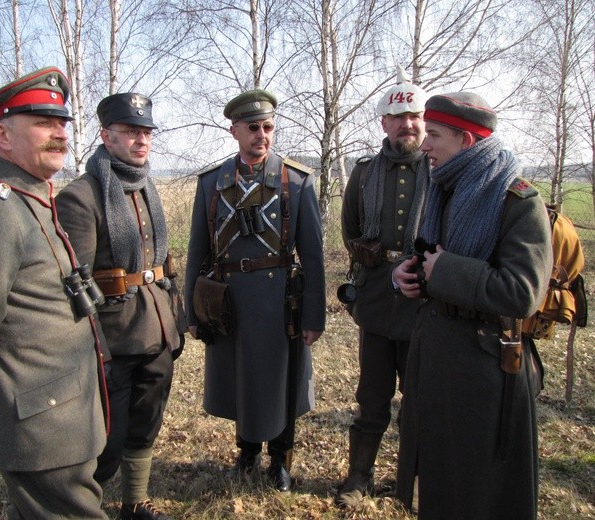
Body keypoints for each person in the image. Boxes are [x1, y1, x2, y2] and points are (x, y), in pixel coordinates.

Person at [0, 67, 109, 519]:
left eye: (62, 123)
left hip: (63, 415)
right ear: (2, 135)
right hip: (40, 424)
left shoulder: (35, 198)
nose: (59, 133)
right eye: (42, 123)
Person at [392, 92, 553, 519]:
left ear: (466, 141)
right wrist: (407, 276)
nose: (424, 144)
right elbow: (428, 257)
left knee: (480, 489)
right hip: (437, 358)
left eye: (436, 135)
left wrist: (444, 271)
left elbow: (523, 292)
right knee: (441, 479)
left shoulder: (517, 201)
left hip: (485, 373)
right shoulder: (442, 187)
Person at [183, 89, 326, 492]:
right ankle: (246, 451)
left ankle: (279, 458)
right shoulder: (212, 183)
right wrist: (191, 314)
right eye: (252, 128)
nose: (261, 135)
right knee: (240, 376)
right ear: (234, 131)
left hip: (279, 301)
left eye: (268, 127)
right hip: (228, 302)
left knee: (280, 378)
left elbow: (313, 257)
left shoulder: (296, 183)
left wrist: (314, 315)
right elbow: (197, 251)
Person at [56, 93, 185, 520]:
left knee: (146, 424)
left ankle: (134, 503)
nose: (141, 140)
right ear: (105, 136)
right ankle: (84, 507)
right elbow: (75, 284)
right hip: (112, 339)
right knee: (107, 439)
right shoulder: (82, 196)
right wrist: (91, 349)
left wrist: (175, 317)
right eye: (131, 131)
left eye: (145, 132)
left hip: (157, 329)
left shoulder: (146, 185)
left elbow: (160, 263)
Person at [336, 66, 429, 507]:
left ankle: (410, 483)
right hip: (375, 299)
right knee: (371, 396)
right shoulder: (365, 173)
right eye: (398, 117)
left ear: (423, 121)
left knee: (419, 399)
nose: (406, 124)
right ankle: (358, 479)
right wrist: (375, 267)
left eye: (414, 116)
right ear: (384, 124)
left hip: (425, 303)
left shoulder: (440, 172)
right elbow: (351, 228)